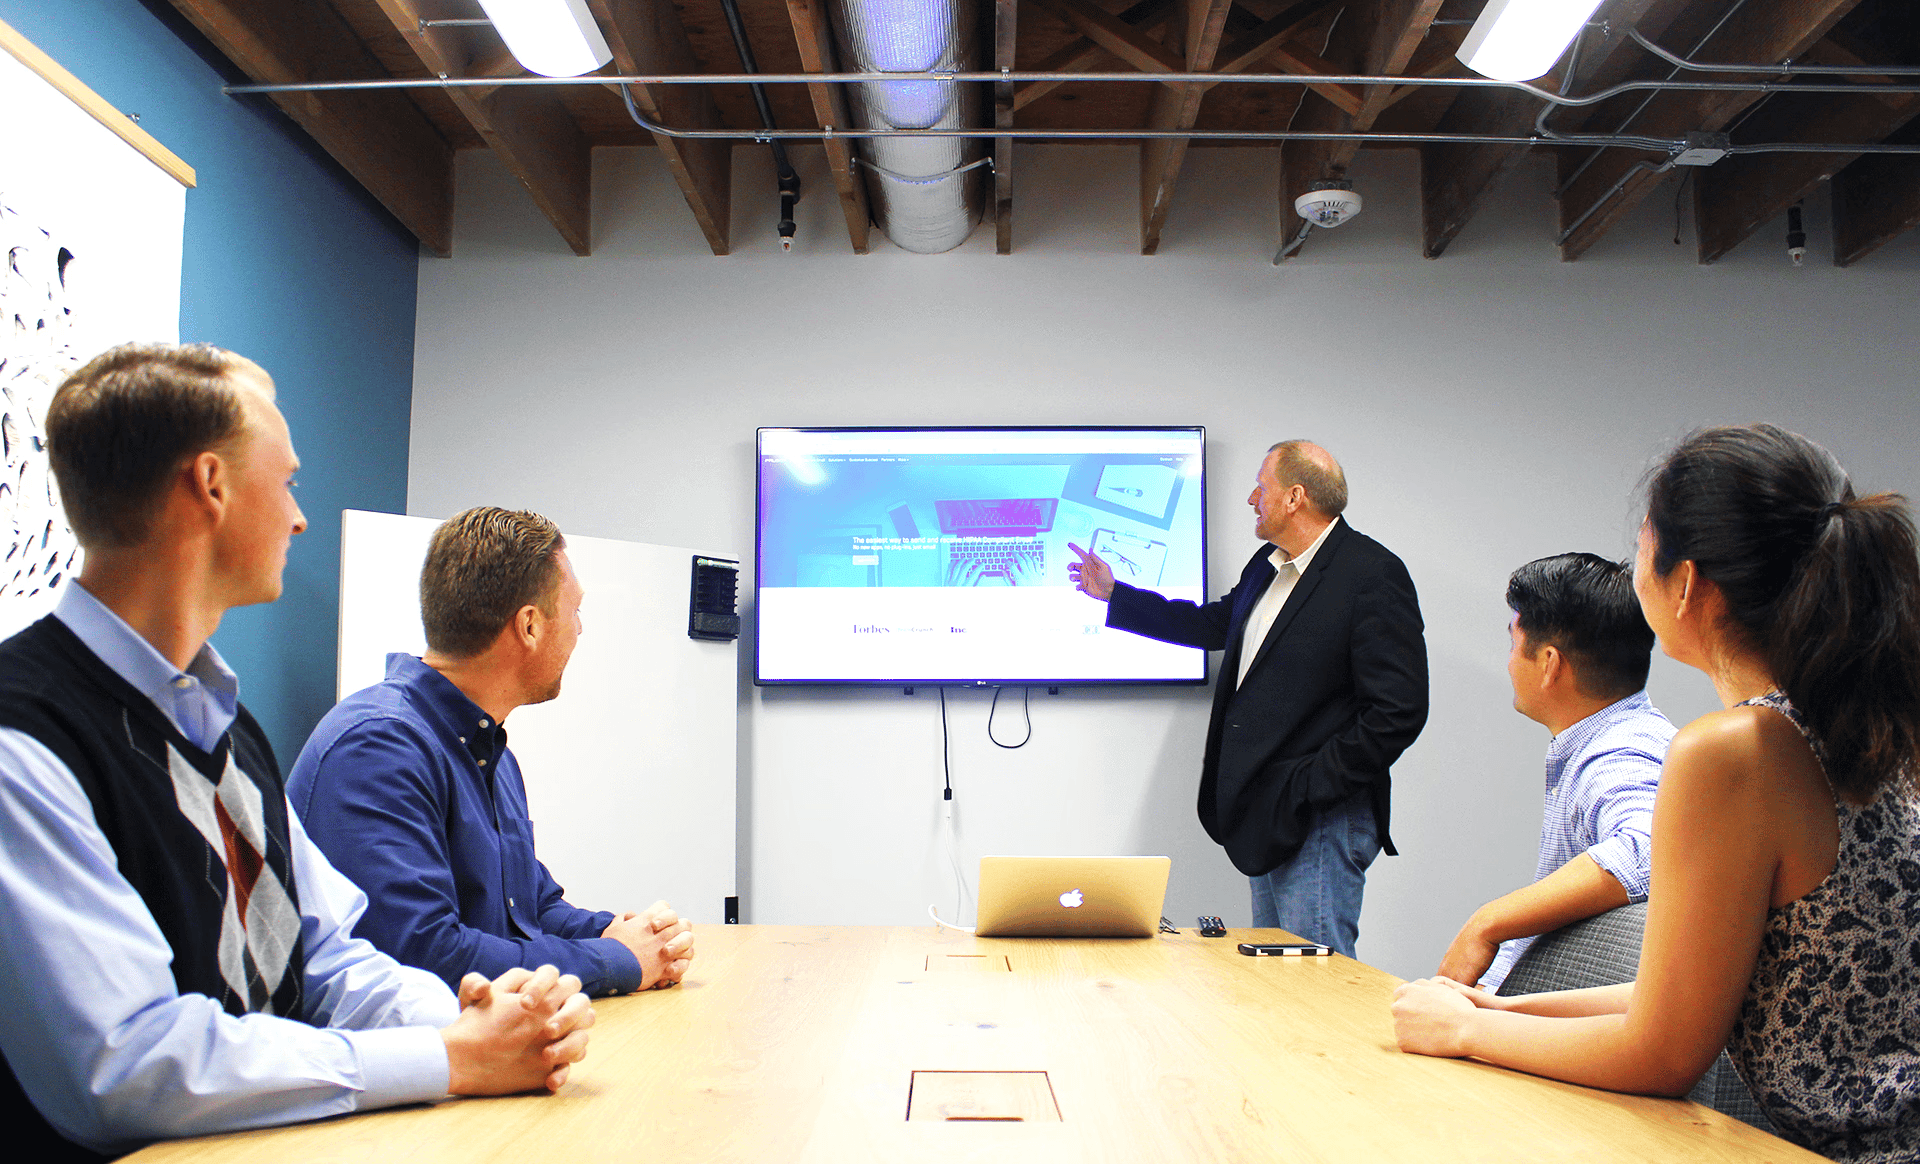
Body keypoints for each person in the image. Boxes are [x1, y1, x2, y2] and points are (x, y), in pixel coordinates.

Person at [0, 343, 594, 1160]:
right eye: (284, 483)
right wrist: (446, 1056)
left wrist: (480, 1014)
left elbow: (322, 955)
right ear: (210, 487)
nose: (299, 516)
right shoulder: (20, 740)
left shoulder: (228, 731)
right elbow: (129, 1064)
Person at [1393, 424, 1920, 1162]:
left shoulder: (1735, 751)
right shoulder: (1861, 722)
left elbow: (1665, 1053)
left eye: (1642, 541)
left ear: (1688, 583)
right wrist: (1498, 1009)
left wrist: (1465, 1031)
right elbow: (1683, 996)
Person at [288, 507, 694, 998]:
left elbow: (530, 910)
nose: (580, 630)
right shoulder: (378, 748)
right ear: (529, 626)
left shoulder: (489, 750)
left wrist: (620, 935)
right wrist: (621, 961)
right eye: (574, 611)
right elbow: (423, 956)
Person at [1068, 440, 1428, 957]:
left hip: (1321, 816)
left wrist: (1312, 785)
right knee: (1280, 972)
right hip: (1268, 809)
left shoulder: (1370, 574)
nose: (1251, 498)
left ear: (1294, 497)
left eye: (1262, 486)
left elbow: (1399, 710)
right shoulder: (1267, 564)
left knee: (1317, 983)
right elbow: (1215, 623)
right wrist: (1116, 596)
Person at [1438, 553, 1672, 992]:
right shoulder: (1617, 736)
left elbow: (1649, 850)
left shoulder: (1620, 753)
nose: (1508, 661)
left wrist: (1488, 922)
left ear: (1549, 663)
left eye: (1513, 643)